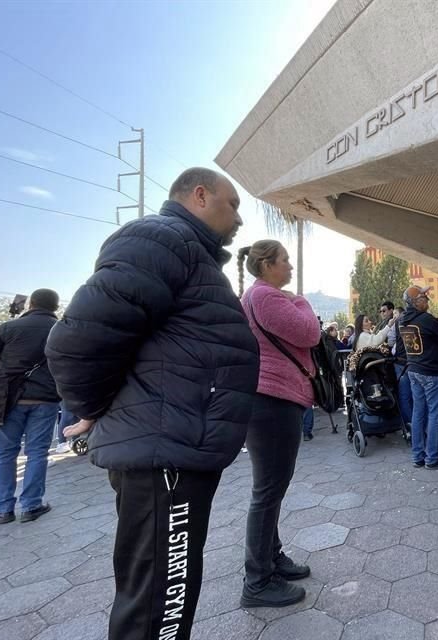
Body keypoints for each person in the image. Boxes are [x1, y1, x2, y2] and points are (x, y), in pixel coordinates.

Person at [46, 167, 260, 640]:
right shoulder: (163, 239)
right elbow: (76, 341)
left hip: (173, 449)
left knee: (165, 593)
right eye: (234, 203)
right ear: (200, 195)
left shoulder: (185, 251)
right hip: (163, 453)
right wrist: (90, 410)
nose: (239, 217)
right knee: (158, 604)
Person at [236, 239, 320, 607]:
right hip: (272, 400)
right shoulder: (268, 297)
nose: (289, 266)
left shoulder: (257, 296)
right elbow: (310, 333)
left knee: (270, 490)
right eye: (284, 261)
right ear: (267, 265)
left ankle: (272, 559)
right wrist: (300, 300)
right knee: (268, 492)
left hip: (269, 400)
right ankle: (257, 581)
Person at [0, 289, 61, 523]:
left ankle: (2, 509)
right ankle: (32, 505)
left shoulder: (7, 328)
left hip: (5, 399)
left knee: (4, 453)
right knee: (38, 453)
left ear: (30, 304)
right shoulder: (63, 329)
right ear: (55, 307)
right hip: (46, 399)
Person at [397, 285, 438, 469]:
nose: (428, 301)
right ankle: (432, 458)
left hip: (413, 369)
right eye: (425, 298)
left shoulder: (402, 320)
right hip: (430, 371)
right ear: (417, 302)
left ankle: (418, 456)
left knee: (418, 413)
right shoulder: (426, 319)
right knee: (435, 414)